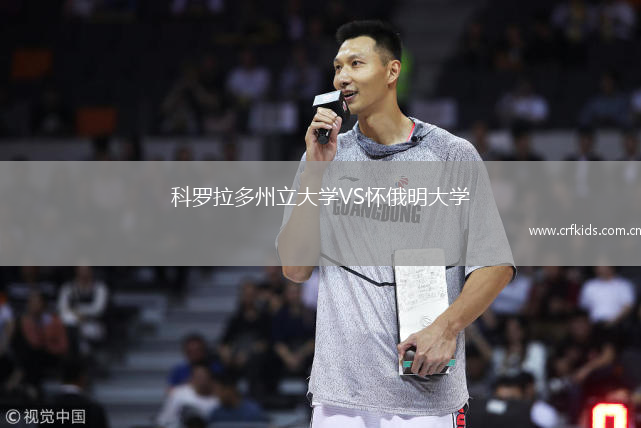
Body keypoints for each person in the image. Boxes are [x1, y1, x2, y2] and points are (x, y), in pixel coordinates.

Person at [277, 20, 515, 427]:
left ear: (392, 72)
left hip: (424, 394)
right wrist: (315, 171)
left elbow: (495, 263)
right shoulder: (322, 156)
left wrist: (446, 329)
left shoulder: (451, 154)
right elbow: (295, 269)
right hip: (340, 398)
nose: (342, 77)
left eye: (356, 63)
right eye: (337, 67)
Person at [157, 363, 220, 428]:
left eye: (204, 377)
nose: (202, 380)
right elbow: (164, 420)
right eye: (199, 376)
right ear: (192, 378)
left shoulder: (217, 399)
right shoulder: (179, 394)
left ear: (210, 378)